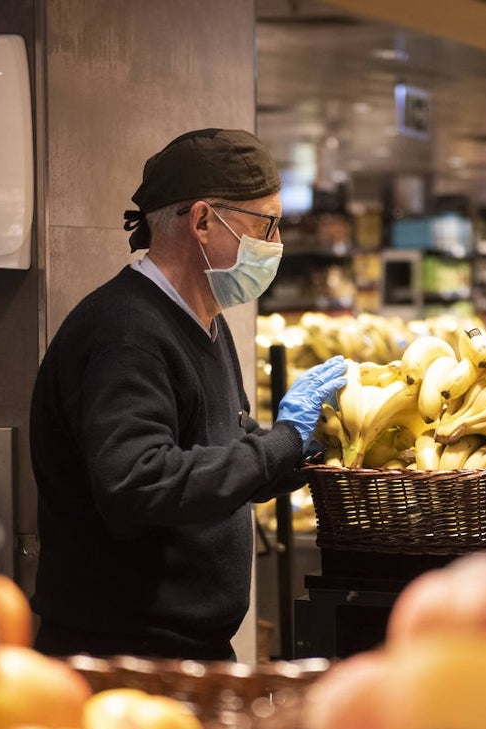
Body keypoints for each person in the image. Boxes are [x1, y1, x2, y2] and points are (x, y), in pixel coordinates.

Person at [28, 128, 347, 661]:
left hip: (187, 650)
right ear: (202, 221)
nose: (275, 245)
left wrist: (305, 451)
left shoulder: (201, 321)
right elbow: (140, 482)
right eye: (265, 225)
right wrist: (282, 441)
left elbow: (218, 449)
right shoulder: (126, 333)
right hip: (125, 659)